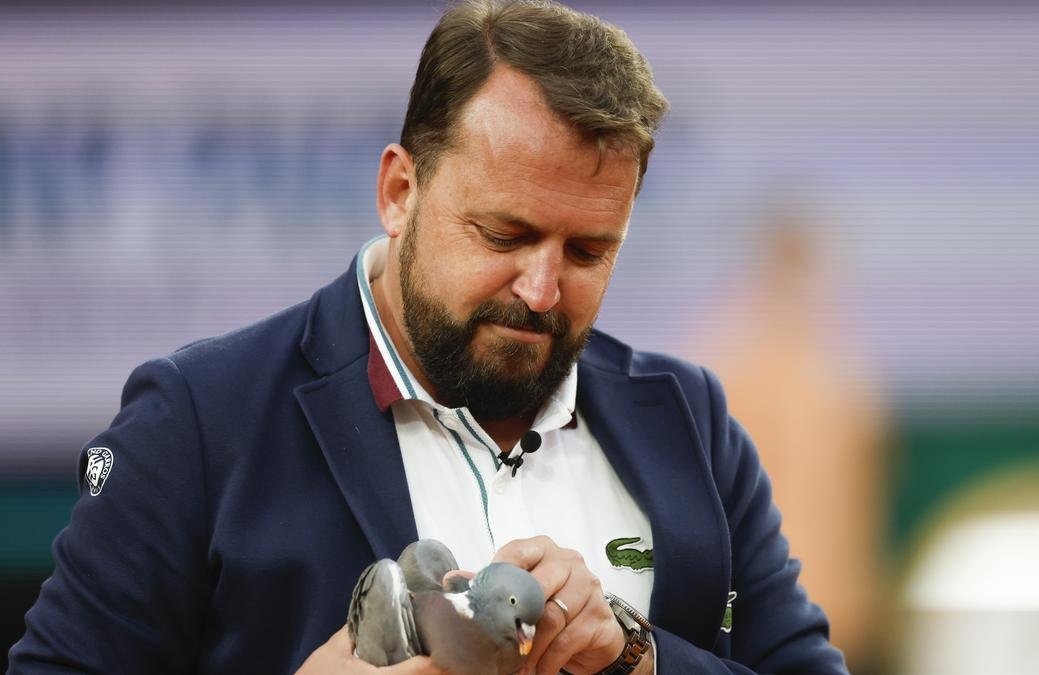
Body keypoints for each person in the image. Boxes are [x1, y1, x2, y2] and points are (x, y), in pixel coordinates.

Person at [9, 1, 847, 673]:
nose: (542, 289)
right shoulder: (195, 423)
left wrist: (637, 654)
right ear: (400, 190)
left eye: (589, 250)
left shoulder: (686, 418)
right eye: (504, 235)